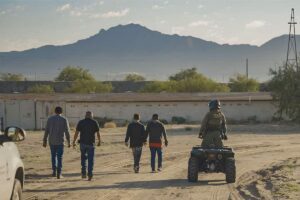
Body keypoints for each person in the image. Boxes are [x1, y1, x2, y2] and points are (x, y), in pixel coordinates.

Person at [43, 106, 71, 179]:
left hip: (52, 141)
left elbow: (46, 130)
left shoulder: (50, 119)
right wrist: (69, 141)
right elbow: (67, 131)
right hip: (60, 141)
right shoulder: (64, 119)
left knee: (53, 156)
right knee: (59, 157)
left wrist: (44, 140)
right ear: (61, 112)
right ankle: (59, 173)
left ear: (55, 111)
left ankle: (54, 172)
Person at [72, 111, 101, 181]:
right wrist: (99, 141)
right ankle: (90, 174)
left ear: (85, 115)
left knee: (83, 158)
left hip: (82, 143)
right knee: (91, 159)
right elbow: (98, 133)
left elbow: (76, 133)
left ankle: (83, 173)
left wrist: (74, 141)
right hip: (91, 144)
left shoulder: (81, 122)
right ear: (91, 116)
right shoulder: (94, 122)